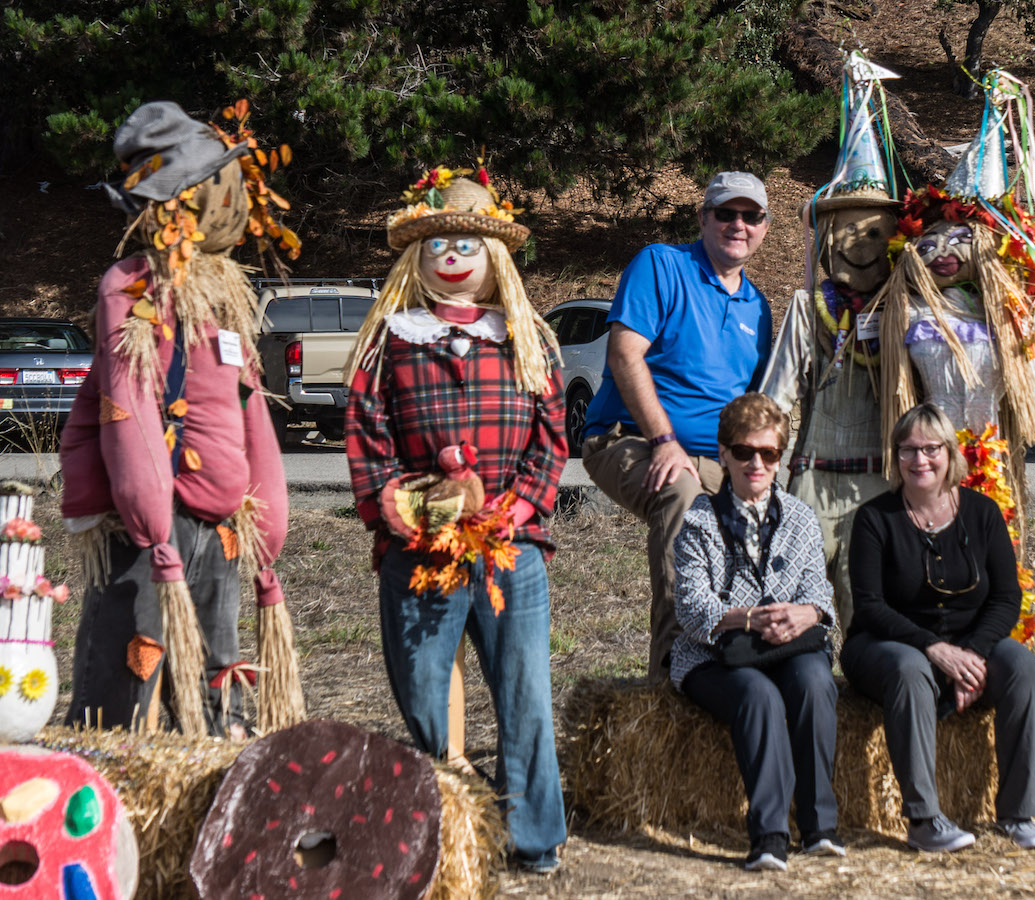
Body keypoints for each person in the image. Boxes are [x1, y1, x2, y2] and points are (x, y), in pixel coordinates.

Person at [344, 163, 568, 873]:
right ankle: (448, 827)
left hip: (510, 547)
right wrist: (392, 504)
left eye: (466, 245)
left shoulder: (526, 337)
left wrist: (519, 506)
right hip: (421, 547)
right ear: (417, 257)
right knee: (422, 693)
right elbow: (366, 431)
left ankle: (533, 838)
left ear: (492, 256)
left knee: (525, 694)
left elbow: (551, 438)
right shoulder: (389, 340)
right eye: (438, 245)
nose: (452, 258)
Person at [60, 100, 301, 739]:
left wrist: (267, 517)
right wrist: (150, 520)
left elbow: (249, 404)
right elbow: (127, 406)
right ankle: (109, 784)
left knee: (215, 681)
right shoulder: (131, 286)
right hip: (145, 525)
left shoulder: (223, 289)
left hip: (220, 524)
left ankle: (215, 774)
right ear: (178, 202)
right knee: (125, 677)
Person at [582, 172, 773, 682]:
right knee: (683, 498)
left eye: (751, 216)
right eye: (726, 213)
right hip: (629, 438)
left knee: (771, 529)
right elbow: (625, 355)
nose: (738, 225)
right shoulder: (662, 265)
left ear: (764, 227)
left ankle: (742, 674)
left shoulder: (758, 309)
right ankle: (673, 680)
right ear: (703, 218)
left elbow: (752, 409)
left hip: (715, 460)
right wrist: (665, 441)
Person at [843, 402, 1035, 853]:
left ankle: (1018, 815)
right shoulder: (874, 519)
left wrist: (972, 654)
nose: (919, 459)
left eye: (930, 448)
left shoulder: (983, 513)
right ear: (895, 457)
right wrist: (934, 648)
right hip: (886, 645)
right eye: (907, 449)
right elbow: (871, 606)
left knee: (1022, 668)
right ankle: (924, 820)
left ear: (950, 454)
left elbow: (1006, 598)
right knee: (911, 669)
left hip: (969, 643)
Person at [671, 392, 841, 872]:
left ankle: (820, 828)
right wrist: (747, 618)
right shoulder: (697, 521)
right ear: (723, 454)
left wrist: (808, 613)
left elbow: (820, 592)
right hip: (714, 654)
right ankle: (769, 837)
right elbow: (691, 608)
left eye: (769, 453)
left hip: (789, 646)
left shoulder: (801, 517)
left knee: (815, 681)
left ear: (780, 458)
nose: (757, 464)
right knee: (759, 696)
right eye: (744, 451)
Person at [761, 49, 899, 633]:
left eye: (874, 229)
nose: (859, 241)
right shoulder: (807, 308)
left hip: (882, 483)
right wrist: (761, 463)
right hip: (811, 480)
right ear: (824, 236)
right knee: (798, 615)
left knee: (871, 616)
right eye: (846, 227)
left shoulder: (908, 315)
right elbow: (776, 396)